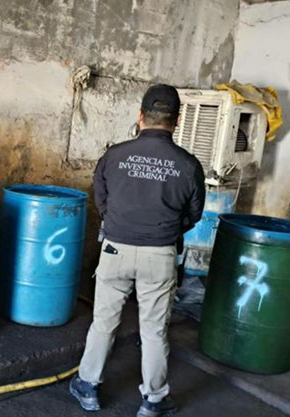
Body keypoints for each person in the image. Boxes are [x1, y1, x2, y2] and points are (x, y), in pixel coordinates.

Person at [69, 84, 206, 417]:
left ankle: (88, 387)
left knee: (103, 322)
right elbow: (194, 214)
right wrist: (164, 230)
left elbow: (101, 200)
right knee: (154, 330)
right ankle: (153, 400)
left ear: (141, 115)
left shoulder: (114, 155)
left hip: (115, 249)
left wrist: (121, 225)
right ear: (177, 121)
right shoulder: (188, 165)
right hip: (159, 255)